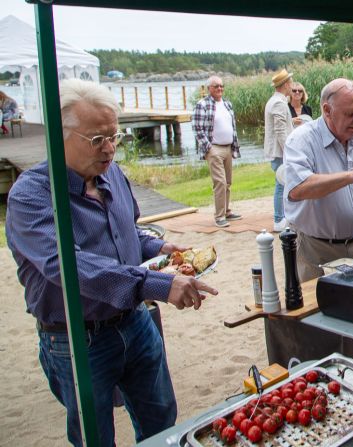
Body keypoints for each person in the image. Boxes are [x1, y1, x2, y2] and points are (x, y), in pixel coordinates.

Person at [6, 79, 218, 446]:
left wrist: (161, 248)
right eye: (96, 140)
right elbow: (66, 265)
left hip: (135, 321)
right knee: (95, 437)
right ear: (58, 135)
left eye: (114, 137)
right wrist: (156, 285)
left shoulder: (112, 175)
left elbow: (126, 233)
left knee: (161, 418)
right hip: (76, 336)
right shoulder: (31, 195)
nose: (109, 149)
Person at [284, 79, 353, 281]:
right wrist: (351, 176)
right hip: (315, 250)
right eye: (350, 113)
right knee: (317, 308)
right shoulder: (302, 140)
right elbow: (298, 189)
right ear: (327, 110)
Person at [192, 75, 242, 228]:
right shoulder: (203, 105)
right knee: (219, 182)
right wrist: (208, 147)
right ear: (209, 89)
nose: (219, 89)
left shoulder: (227, 104)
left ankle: (226, 211)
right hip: (214, 148)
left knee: (227, 182)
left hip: (227, 147)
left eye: (221, 86)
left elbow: (231, 126)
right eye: (216, 86)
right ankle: (219, 216)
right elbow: (197, 127)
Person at [264, 68, 294, 232]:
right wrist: (288, 150)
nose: (292, 86)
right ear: (285, 84)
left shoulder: (276, 101)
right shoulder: (278, 102)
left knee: (283, 183)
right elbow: (280, 130)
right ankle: (278, 218)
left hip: (279, 150)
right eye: (290, 82)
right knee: (281, 184)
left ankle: (281, 216)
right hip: (280, 151)